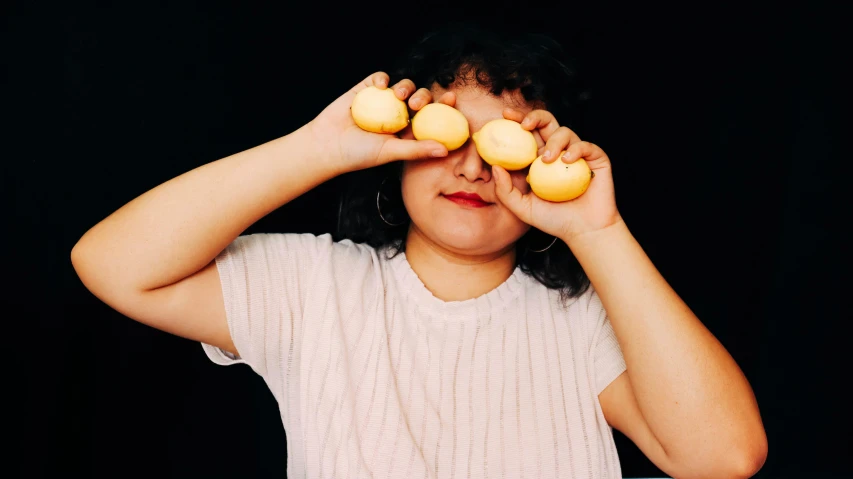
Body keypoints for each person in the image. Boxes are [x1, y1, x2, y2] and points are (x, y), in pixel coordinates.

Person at [71, 23, 767, 479]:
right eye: (448, 137)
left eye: (502, 146)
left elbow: (725, 456)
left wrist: (596, 229)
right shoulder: (316, 287)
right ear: (400, 148)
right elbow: (112, 264)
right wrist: (314, 149)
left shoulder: (583, 320)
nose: (470, 168)